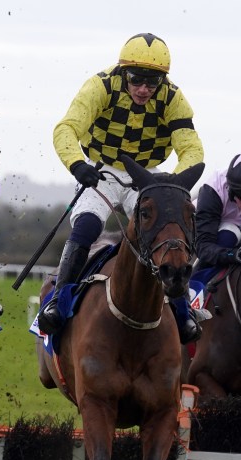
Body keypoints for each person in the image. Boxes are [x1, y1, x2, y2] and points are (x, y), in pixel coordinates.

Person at [39, 32, 205, 343]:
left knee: (170, 229)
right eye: (136, 79)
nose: (144, 88)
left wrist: (174, 183)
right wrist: (78, 165)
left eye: (152, 82)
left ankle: (184, 313)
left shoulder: (174, 98)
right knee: (87, 227)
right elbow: (66, 129)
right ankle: (58, 304)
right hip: (100, 171)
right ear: (122, 72)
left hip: (147, 175)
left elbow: (192, 149)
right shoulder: (99, 87)